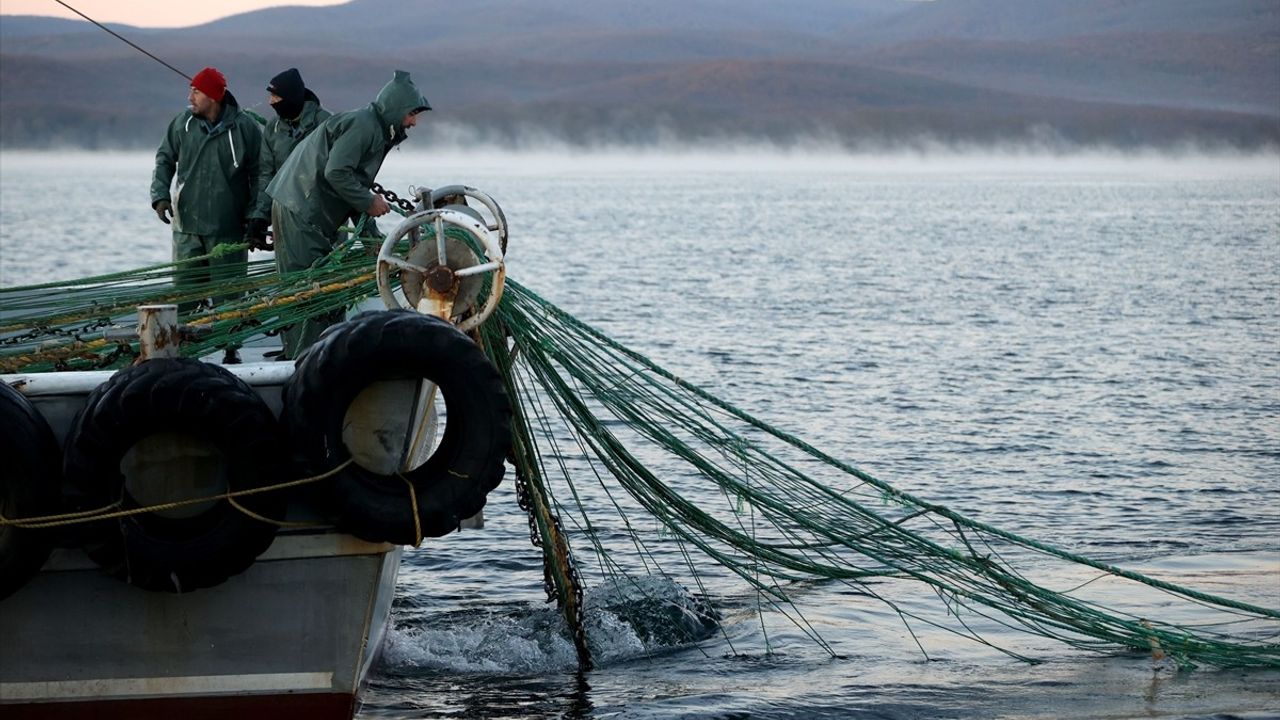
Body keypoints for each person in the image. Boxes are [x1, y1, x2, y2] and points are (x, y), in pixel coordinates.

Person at [266, 69, 431, 359]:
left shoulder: (376, 130)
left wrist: (372, 241)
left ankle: (314, 356)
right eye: (411, 113)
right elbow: (337, 173)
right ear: (395, 109)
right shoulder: (364, 126)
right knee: (309, 290)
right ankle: (304, 361)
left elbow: (353, 181)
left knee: (317, 288)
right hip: (300, 208)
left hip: (305, 208)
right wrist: (369, 202)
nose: (414, 122)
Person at [150, 66, 263, 364]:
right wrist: (159, 195)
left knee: (229, 294)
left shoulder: (245, 128)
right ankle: (182, 352)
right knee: (185, 293)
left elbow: (261, 173)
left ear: (214, 96)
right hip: (187, 227)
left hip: (228, 228)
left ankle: (230, 347)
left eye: (196, 92)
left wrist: (257, 216)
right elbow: (164, 159)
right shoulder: (183, 124)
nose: (190, 97)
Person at [244, 68, 331, 250]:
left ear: (290, 97)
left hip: (324, 220)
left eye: (275, 97)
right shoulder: (272, 128)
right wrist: (260, 218)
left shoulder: (326, 124)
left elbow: (341, 173)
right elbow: (267, 176)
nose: (270, 102)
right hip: (284, 219)